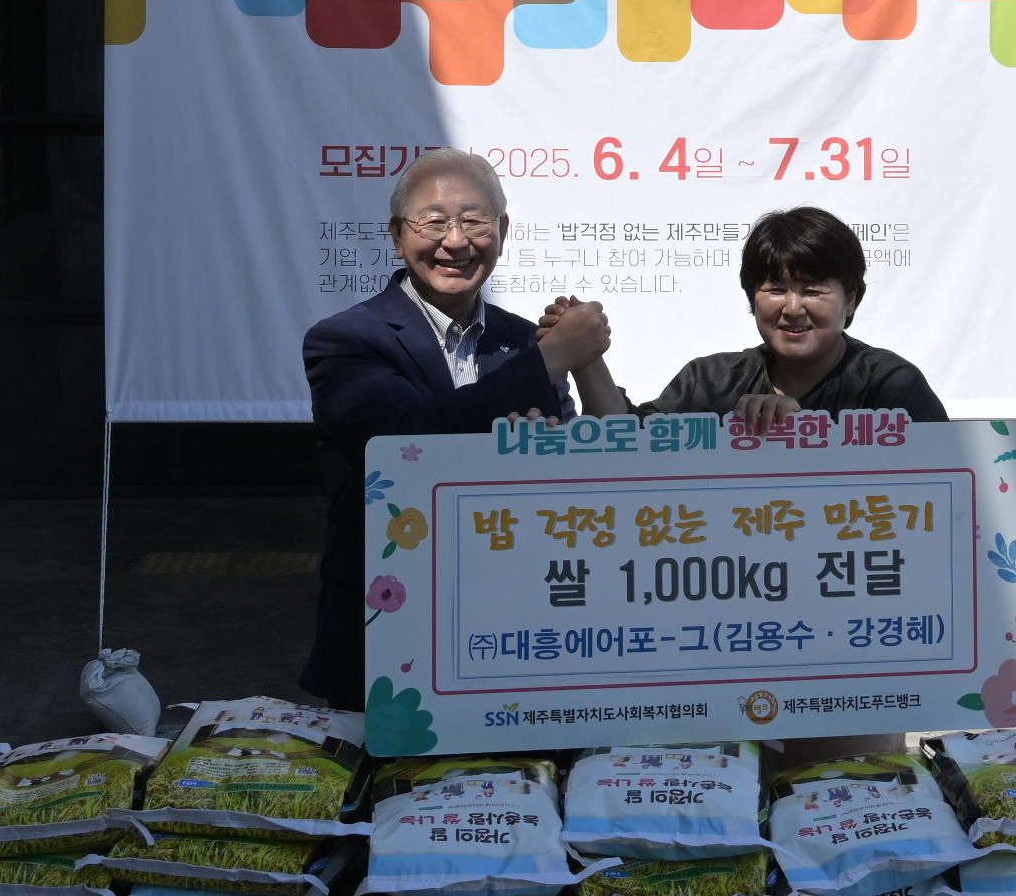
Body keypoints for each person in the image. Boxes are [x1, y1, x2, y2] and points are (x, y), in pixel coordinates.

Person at [299, 149, 623, 708]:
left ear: (503, 231)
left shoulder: (522, 340)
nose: (455, 241)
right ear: (397, 236)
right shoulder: (344, 340)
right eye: (433, 222)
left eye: (474, 221)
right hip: (389, 629)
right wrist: (554, 358)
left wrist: (549, 435)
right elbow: (408, 437)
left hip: (515, 621)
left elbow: (577, 467)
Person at [639, 206, 945, 432]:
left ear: (850, 299)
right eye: (775, 290)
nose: (793, 308)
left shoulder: (891, 386)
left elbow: (942, 482)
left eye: (812, 291)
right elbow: (630, 447)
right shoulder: (709, 381)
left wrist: (803, 432)